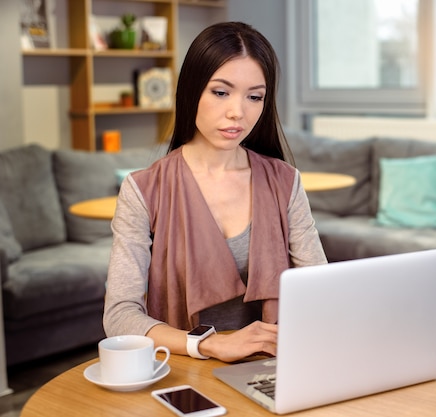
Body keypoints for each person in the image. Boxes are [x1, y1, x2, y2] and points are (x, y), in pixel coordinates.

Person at [103, 22, 327, 363]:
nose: (238, 111)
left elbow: (321, 291)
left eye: (254, 96)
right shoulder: (144, 190)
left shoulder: (285, 181)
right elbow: (119, 316)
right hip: (185, 370)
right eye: (221, 92)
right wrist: (208, 344)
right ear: (192, 91)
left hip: (274, 369)